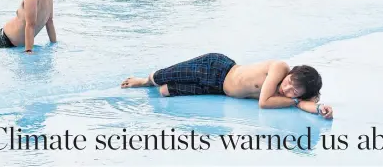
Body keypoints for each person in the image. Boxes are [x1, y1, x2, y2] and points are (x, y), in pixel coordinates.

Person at [121, 53, 334, 119]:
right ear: (290, 73)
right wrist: (297, 99)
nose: (287, 89)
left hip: (217, 89)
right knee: (163, 76)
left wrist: (319, 108)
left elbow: (301, 104)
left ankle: (154, 85)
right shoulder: (280, 68)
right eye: (289, 83)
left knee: (166, 91)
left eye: (294, 91)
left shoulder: (288, 97)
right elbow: (264, 103)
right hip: (216, 68)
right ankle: (144, 79)